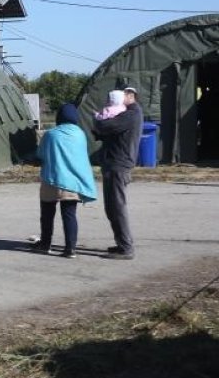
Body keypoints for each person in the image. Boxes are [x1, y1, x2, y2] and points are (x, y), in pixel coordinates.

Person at [31, 104, 97, 258]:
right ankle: (70, 249)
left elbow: (40, 155)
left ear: (59, 117)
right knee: (69, 214)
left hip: (52, 180)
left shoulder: (51, 135)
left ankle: (45, 245)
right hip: (73, 182)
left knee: (47, 214)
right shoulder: (80, 134)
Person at [93, 87, 143, 260]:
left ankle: (126, 247)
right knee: (112, 207)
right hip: (114, 163)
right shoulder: (127, 114)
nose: (122, 97)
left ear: (132, 97)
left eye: (126, 94)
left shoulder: (130, 115)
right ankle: (121, 243)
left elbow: (105, 126)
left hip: (118, 164)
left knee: (117, 206)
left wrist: (98, 120)